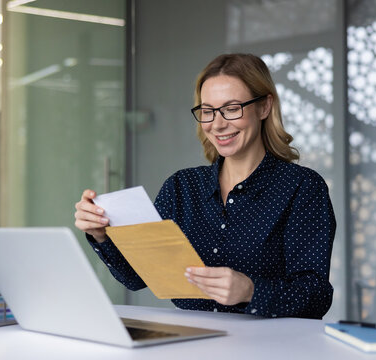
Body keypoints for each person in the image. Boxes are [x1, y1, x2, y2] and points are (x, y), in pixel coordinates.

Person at [75, 53, 336, 319]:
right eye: (208, 111)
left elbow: (316, 296)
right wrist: (101, 235)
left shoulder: (302, 187)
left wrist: (250, 291)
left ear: (265, 106)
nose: (218, 124)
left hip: (267, 346)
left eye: (232, 108)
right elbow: (137, 278)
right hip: (190, 341)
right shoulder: (181, 187)